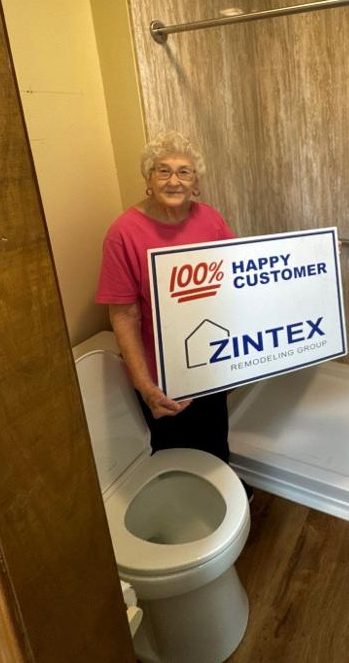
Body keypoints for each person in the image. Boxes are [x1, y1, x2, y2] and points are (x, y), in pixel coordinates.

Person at [95, 130, 235, 463]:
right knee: (176, 454)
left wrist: (314, 254)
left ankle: (221, 480)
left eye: (184, 172)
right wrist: (146, 386)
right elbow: (124, 315)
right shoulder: (123, 234)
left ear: (195, 182)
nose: (174, 181)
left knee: (216, 441)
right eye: (163, 171)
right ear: (148, 179)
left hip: (211, 359)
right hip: (163, 376)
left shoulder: (210, 219)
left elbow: (242, 273)